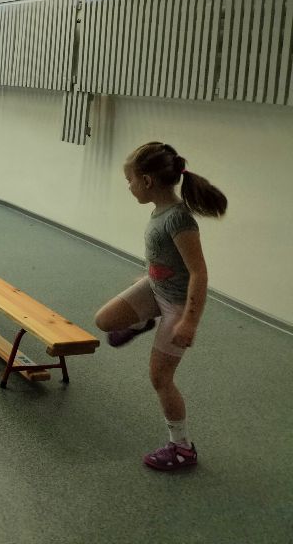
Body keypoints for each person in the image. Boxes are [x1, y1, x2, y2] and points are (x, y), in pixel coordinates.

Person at [94, 142, 227, 472]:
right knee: (105, 320)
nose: (129, 186)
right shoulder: (160, 212)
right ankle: (142, 322)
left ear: (147, 181)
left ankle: (182, 448)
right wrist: (150, 276)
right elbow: (166, 257)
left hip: (177, 306)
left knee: (160, 378)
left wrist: (189, 322)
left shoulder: (180, 220)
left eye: (130, 180)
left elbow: (198, 273)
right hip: (155, 289)